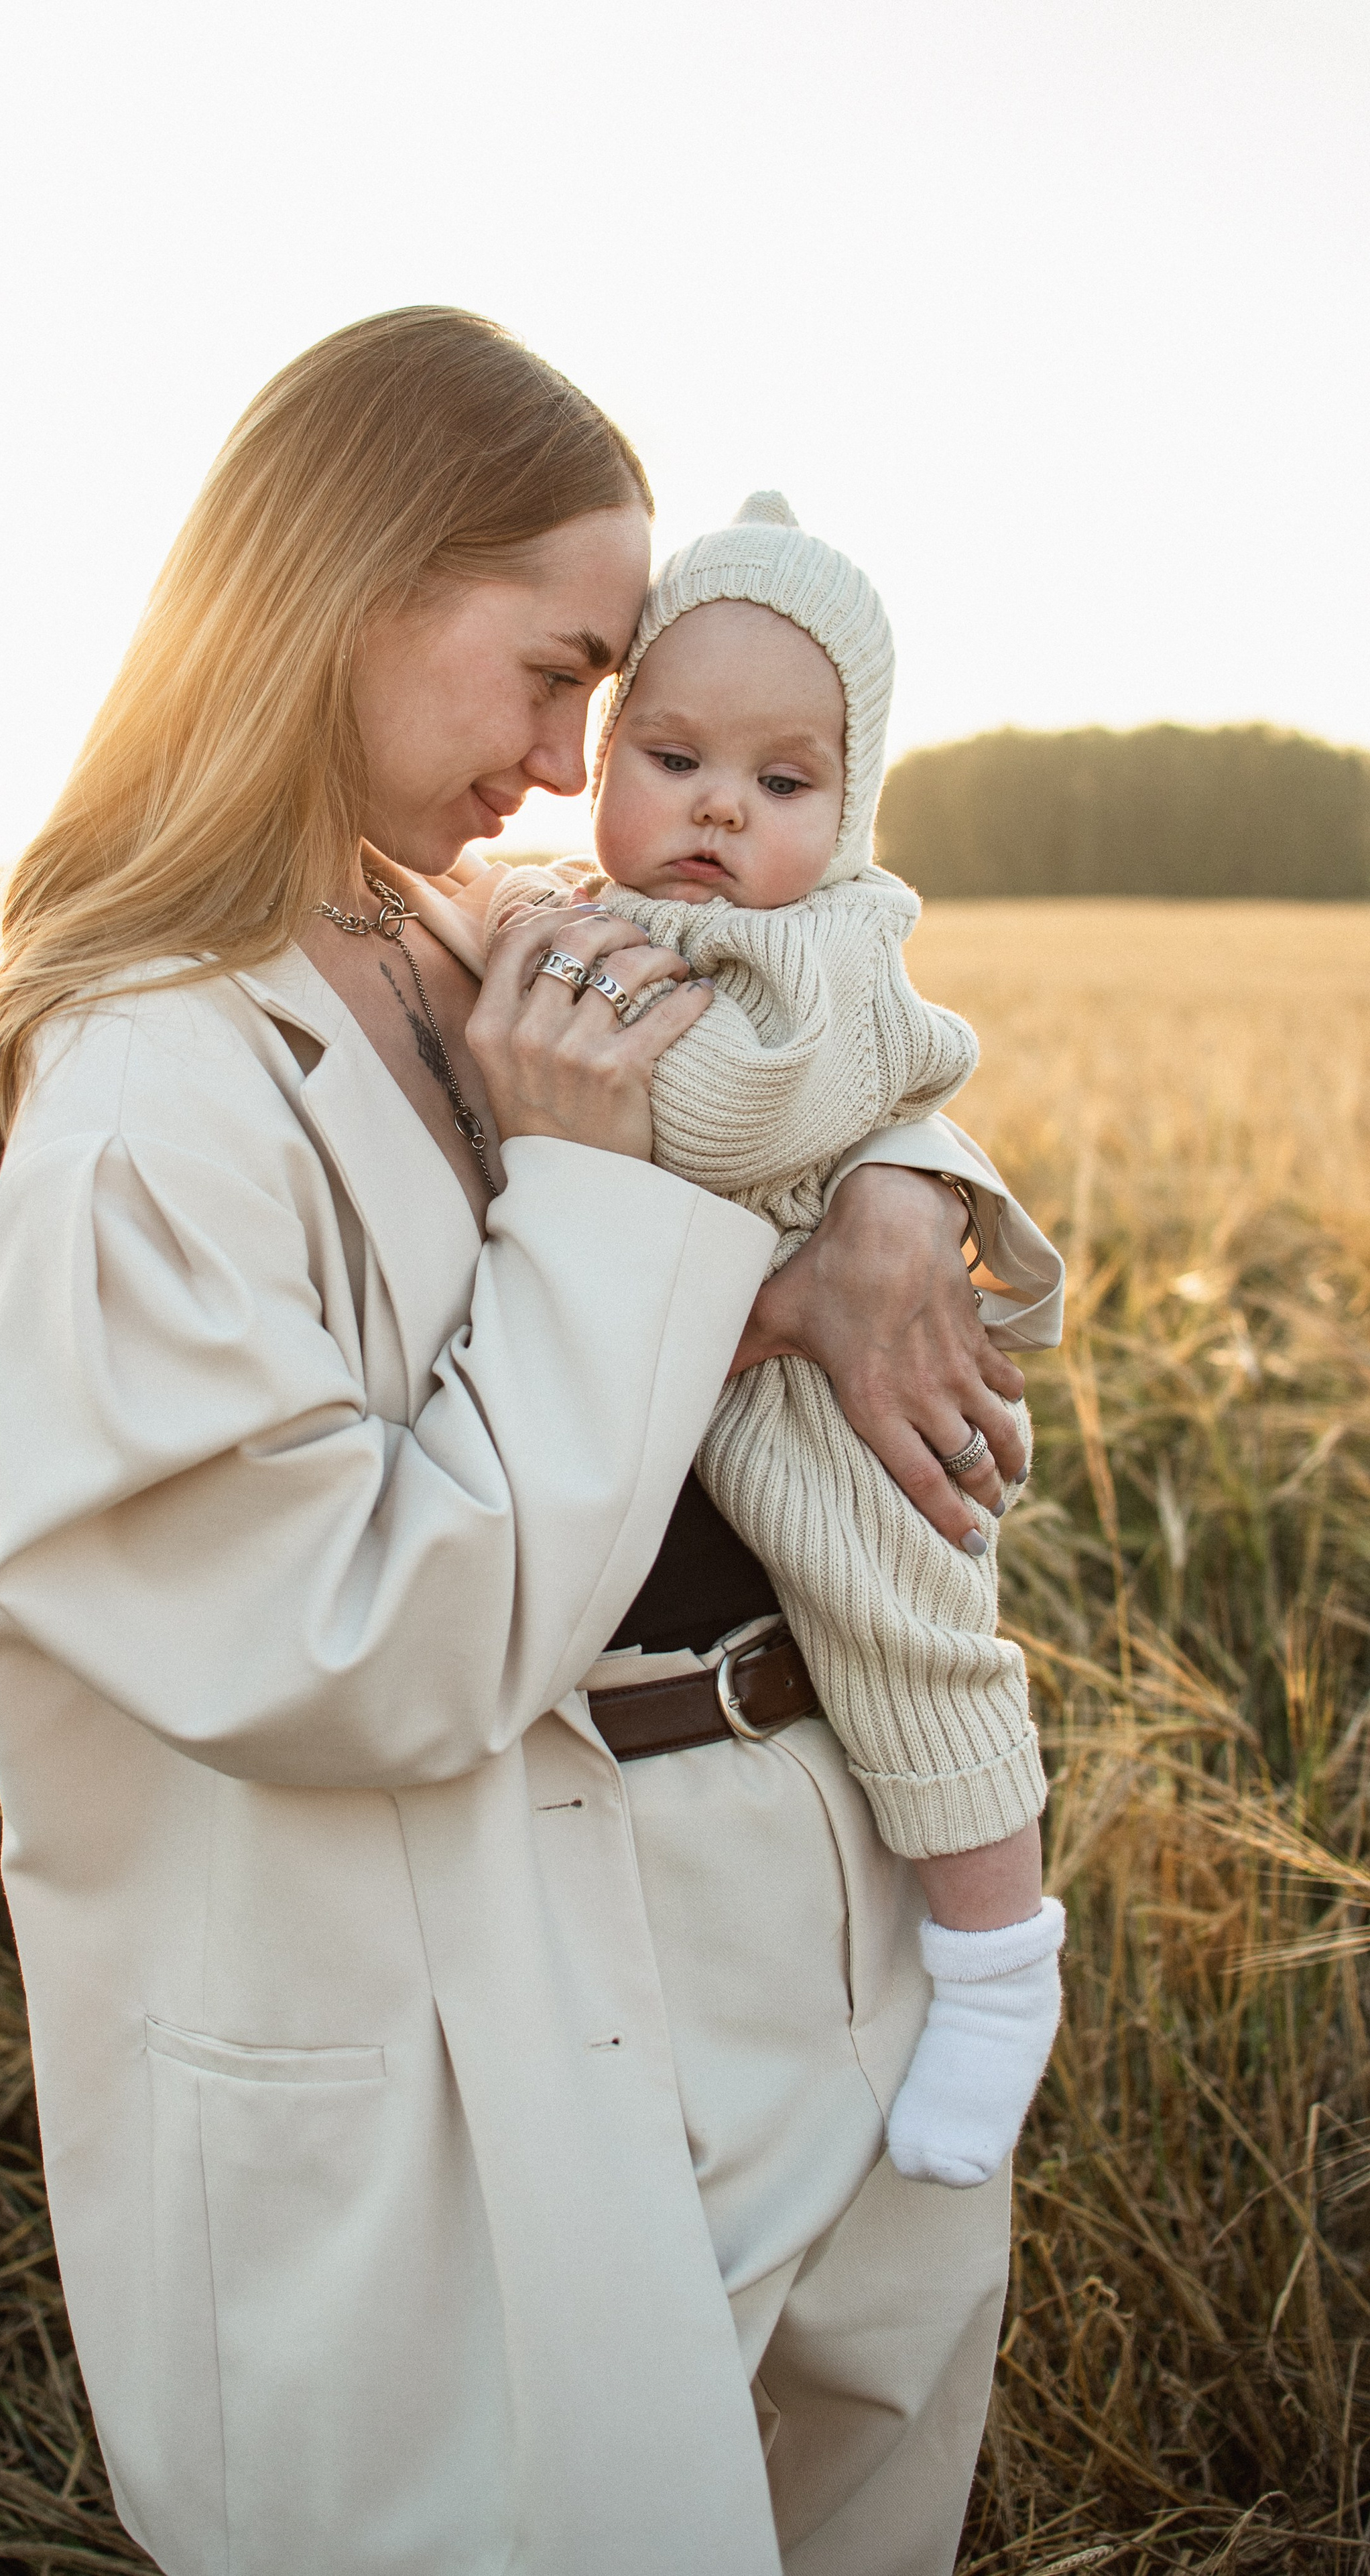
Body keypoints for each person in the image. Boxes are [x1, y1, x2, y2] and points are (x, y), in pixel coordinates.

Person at [0, 308, 1050, 2576]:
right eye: (553, 670)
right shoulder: (142, 1085)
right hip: (494, 1994)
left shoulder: (451, 928)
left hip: (812, 1894)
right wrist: (610, 1192)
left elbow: (821, 1053)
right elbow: (359, 1635)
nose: (564, 756)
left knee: (860, 2515)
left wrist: (901, 1195)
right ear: (361, 577)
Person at [469, 493, 1067, 2193]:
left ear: (849, 807)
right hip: (659, 1412)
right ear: (602, 758)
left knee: (911, 1627)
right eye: (670, 755)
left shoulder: (834, 944)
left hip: (822, 1406)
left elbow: (741, 1109)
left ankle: (994, 1958)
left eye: (782, 782)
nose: (719, 807)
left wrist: (590, 998)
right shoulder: (560, 910)